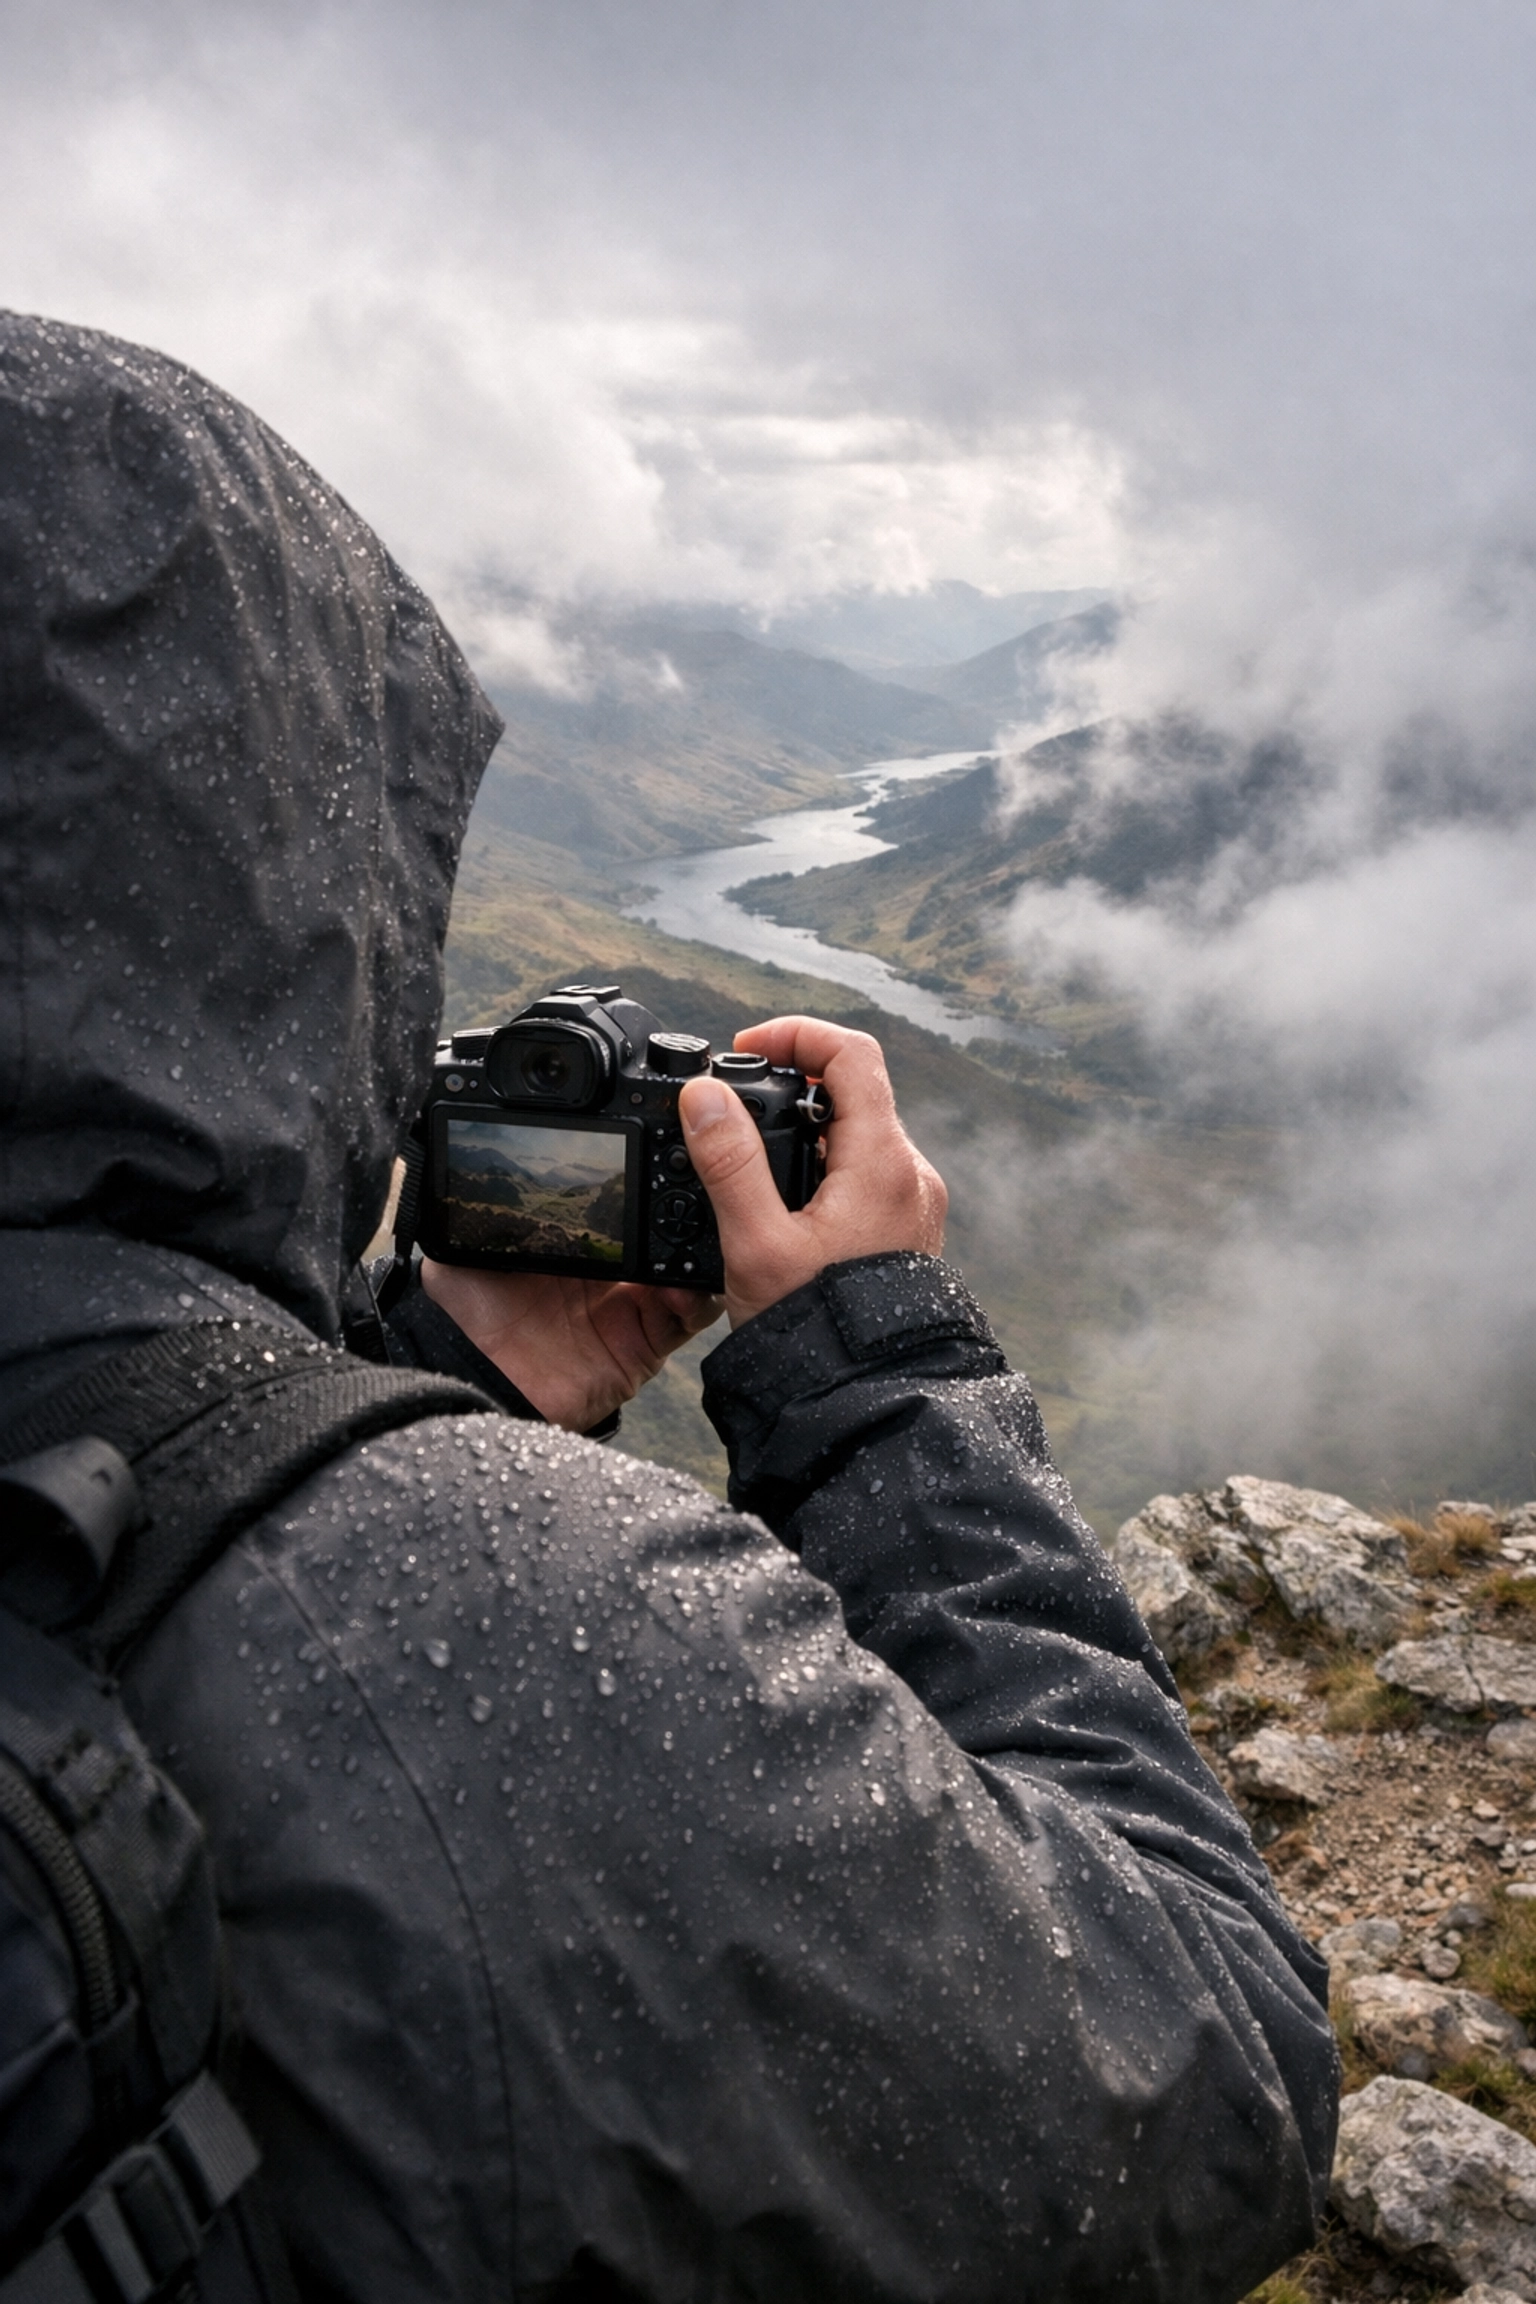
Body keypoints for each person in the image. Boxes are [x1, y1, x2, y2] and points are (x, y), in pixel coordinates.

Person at [0, 310, 1338, 2304]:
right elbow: (1207, 2057)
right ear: (274, 878)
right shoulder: (539, 1637)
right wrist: (877, 1373)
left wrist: (404, 1393)